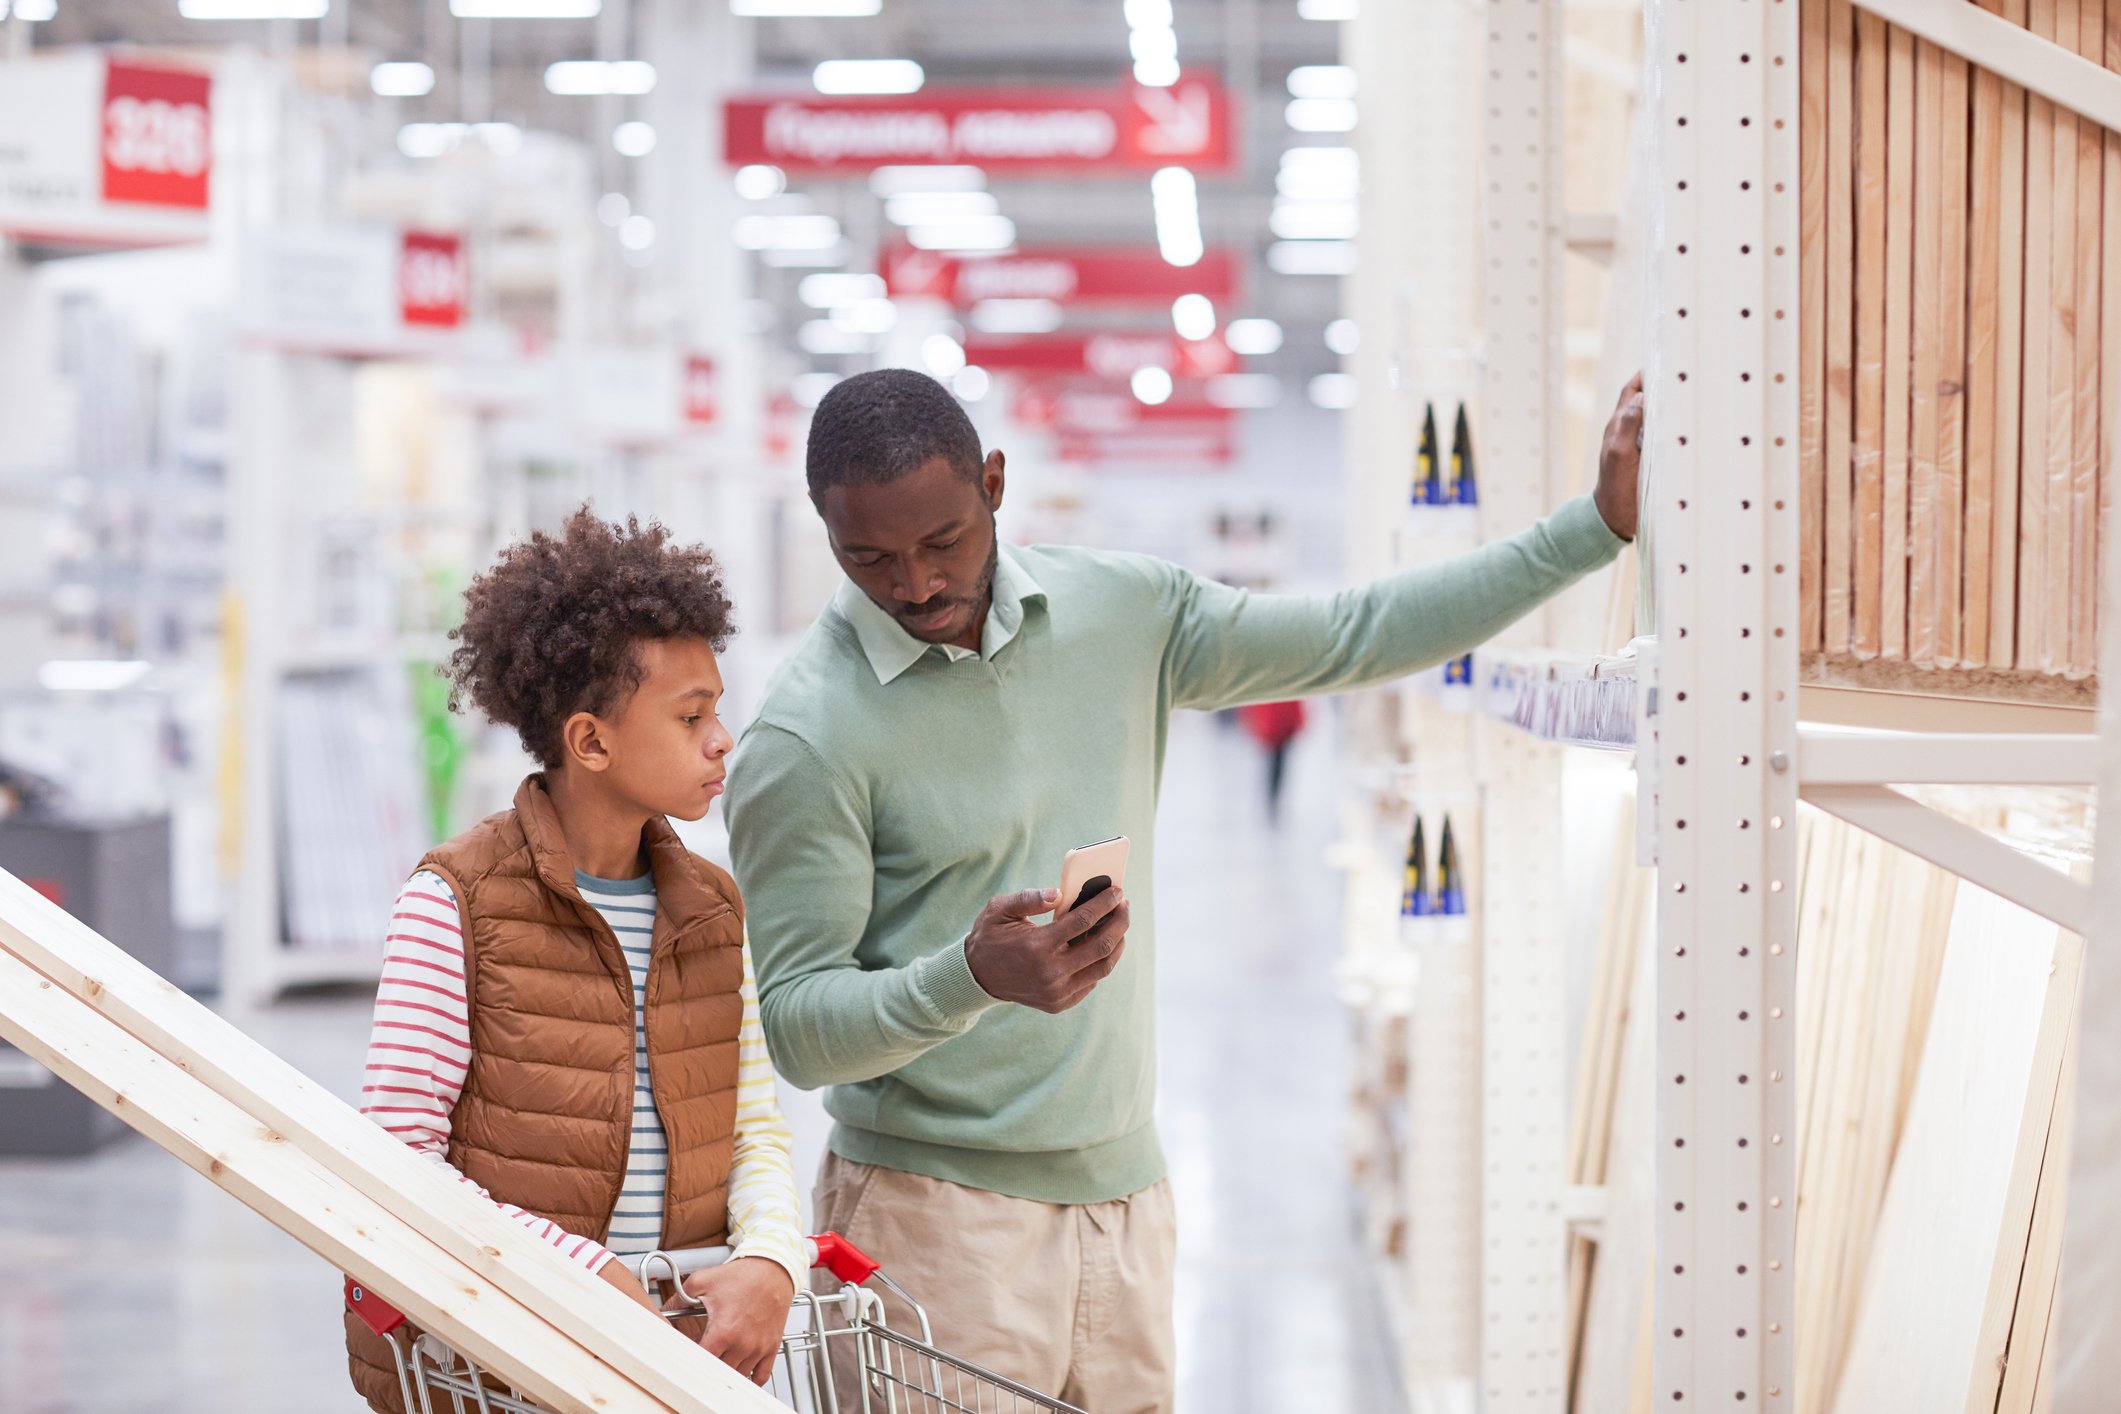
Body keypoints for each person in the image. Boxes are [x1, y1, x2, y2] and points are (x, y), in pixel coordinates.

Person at [726, 368, 1646, 1413]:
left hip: (1126, 1202)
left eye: (943, 541)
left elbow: (1354, 634)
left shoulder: (1122, 613)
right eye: (870, 558)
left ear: (994, 483)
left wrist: (1594, 529)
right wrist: (966, 977)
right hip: (930, 1227)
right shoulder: (807, 734)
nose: (916, 584)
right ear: (824, 532)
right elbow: (799, 1029)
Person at [344, 509, 805, 1412]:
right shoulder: (455, 903)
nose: (722, 740)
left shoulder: (712, 909)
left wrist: (771, 1260)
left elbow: (754, 1126)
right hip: (496, 1364)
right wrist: (579, 1274)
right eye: (691, 716)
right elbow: (398, 1158)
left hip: (666, 1360)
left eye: (718, 709)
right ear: (590, 741)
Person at [1238, 697, 1308, 822]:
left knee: (1275, 768)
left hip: (1278, 729)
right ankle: (1270, 801)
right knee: (1273, 768)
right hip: (1273, 728)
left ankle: (1271, 801)